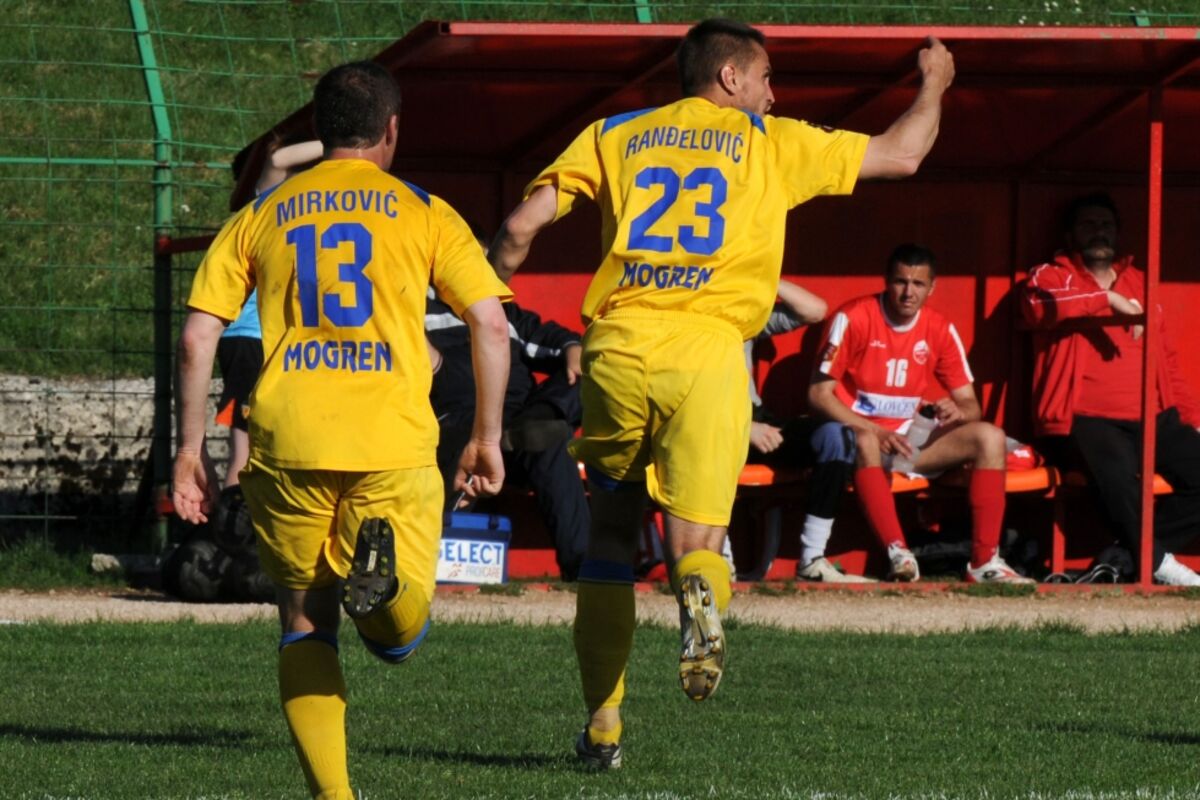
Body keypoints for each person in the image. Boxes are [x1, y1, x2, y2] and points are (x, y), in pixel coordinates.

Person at [490, 18, 955, 768]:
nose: (774, 95)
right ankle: (698, 596)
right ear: (730, 77)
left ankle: (602, 727)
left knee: (610, 538)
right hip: (709, 353)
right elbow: (903, 153)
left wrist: (490, 301)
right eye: (767, 78)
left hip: (619, 345)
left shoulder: (614, 134)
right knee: (698, 543)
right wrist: (935, 82)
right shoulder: (770, 142)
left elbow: (520, 226)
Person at [171, 61, 512, 799]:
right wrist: (485, 437)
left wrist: (190, 450)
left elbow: (198, 338)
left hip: (288, 438)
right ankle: (382, 599)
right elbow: (490, 325)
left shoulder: (263, 212)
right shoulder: (424, 209)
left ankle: (335, 795)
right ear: (392, 129)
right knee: (398, 640)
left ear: (320, 132)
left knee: (304, 622)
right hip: (390, 437)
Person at [808, 244, 1032, 585]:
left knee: (990, 436)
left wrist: (957, 411)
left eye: (918, 284)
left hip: (910, 442)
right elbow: (818, 395)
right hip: (862, 439)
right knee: (865, 438)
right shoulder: (854, 317)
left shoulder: (939, 327)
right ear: (887, 281)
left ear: (932, 287)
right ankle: (899, 554)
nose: (908, 292)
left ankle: (985, 562)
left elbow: (971, 406)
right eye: (900, 282)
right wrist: (876, 432)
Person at [1020, 191, 1200, 585]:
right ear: (1070, 235)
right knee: (1118, 481)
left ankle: (1124, 558)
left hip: (1154, 417)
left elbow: (1166, 360)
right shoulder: (1050, 275)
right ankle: (1158, 564)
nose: (1098, 232)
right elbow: (1041, 307)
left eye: (1106, 225)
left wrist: (1191, 419)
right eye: (1088, 224)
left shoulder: (1141, 282)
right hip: (1083, 419)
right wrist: (1106, 299)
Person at [426, 261, 589, 581]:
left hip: (519, 424)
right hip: (459, 420)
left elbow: (554, 339)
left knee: (588, 379)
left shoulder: (504, 312)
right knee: (460, 443)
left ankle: (582, 571)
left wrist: (573, 348)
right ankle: (437, 563)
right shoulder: (418, 309)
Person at [746, 280, 873, 583]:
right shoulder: (680, 317)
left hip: (755, 418)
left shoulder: (739, 314)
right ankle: (718, 561)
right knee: (705, 444)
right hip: (708, 425)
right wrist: (741, 428)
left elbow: (814, 310)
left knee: (835, 437)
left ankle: (812, 560)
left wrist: (763, 275)